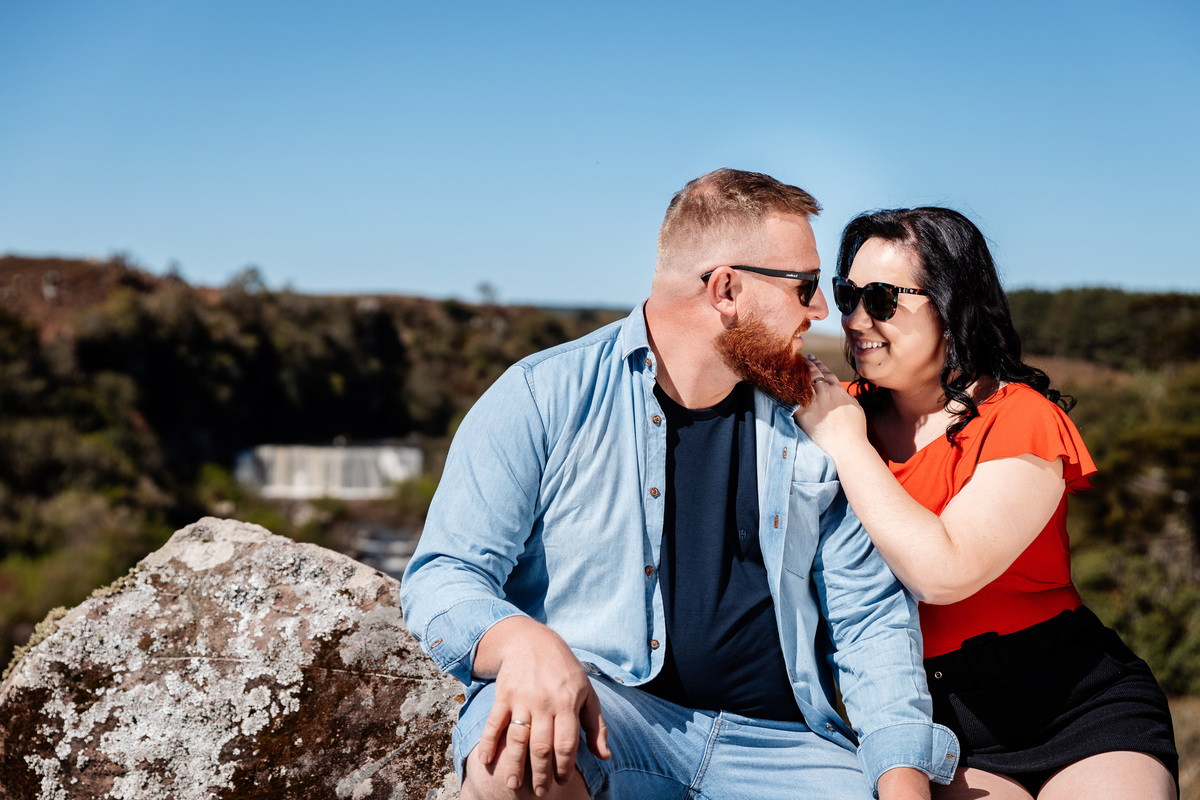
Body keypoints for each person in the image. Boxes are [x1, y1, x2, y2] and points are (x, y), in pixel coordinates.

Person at [400, 169, 959, 800]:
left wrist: (904, 782)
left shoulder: (820, 420)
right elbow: (443, 572)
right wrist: (521, 642)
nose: (822, 310)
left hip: (782, 751)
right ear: (726, 289)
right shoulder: (542, 396)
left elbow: (871, 621)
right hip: (610, 716)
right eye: (805, 287)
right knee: (515, 762)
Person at [795, 206, 1178, 800]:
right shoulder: (840, 411)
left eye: (881, 299)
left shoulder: (1020, 417)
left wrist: (846, 444)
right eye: (847, 295)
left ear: (953, 304)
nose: (856, 319)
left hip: (1077, 704)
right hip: (940, 724)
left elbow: (944, 574)